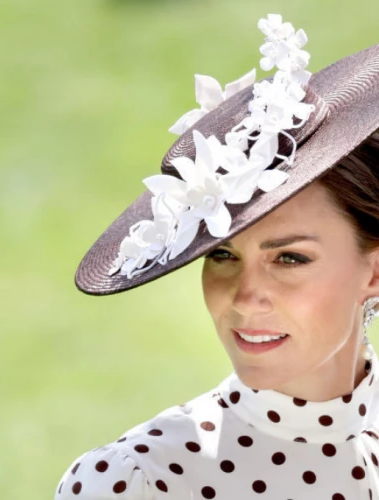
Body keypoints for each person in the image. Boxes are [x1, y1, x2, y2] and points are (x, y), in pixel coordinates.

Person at [55, 14, 379, 499]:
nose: (244, 299)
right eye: (223, 255)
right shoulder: (138, 481)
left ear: (373, 273)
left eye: (289, 259)